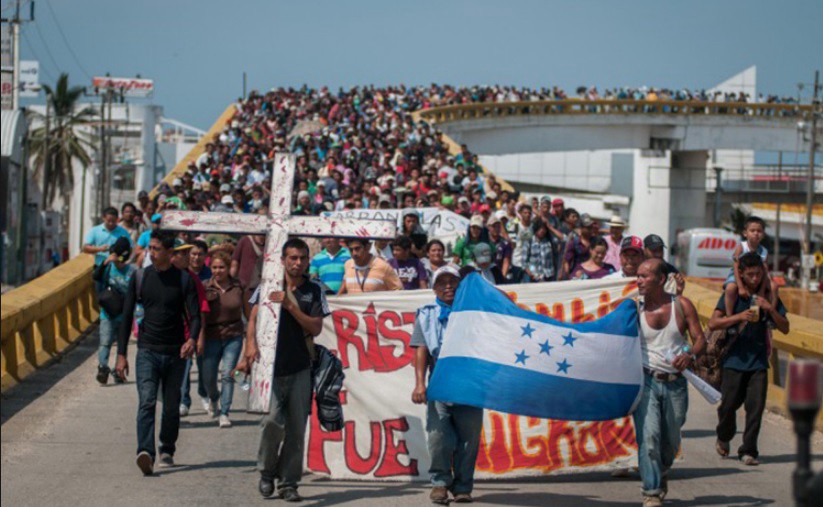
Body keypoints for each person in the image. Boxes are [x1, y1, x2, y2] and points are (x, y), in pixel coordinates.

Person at [245, 239, 330, 501]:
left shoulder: (314, 290)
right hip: (269, 367)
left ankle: (289, 483)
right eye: (293, 258)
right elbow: (254, 316)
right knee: (271, 422)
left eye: (302, 258)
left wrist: (291, 306)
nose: (298, 263)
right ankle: (266, 471)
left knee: (296, 428)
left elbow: (316, 327)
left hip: (299, 366)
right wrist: (250, 345)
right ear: (282, 260)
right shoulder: (268, 285)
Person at [114, 231, 201, 476]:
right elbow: (126, 316)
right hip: (147, 351)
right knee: (147, 401)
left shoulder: (184, 280)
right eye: (150, 248)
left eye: (156, 249)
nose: (151, 253)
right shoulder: (140, 277)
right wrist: (121, 354)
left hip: (176, 353)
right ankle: (145, 452)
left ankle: (167, 448)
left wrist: (192, 339)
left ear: (170, 252)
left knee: (171, 406)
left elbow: (195, 316)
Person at [634, 258, 706, 507]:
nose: (639, 280)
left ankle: (662, 470)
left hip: (676, 384)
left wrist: (690, 355)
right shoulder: (634, 308)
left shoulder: (682, 305)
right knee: (649, 437)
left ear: (661, 279)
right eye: (638, 276)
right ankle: (651, 492)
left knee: (671, 440)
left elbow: (700, 339)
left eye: (644, 276)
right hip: (646, 381)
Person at [709, 251, 789, 466]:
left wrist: (769, 309)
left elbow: (785, 328)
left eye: (758, 274)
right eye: (750, 275)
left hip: (758, 362)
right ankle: (724, 436)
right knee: (728, 407)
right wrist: (739, 317)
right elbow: (713, 323)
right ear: (742, 274)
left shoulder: (768, 295)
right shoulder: (733, 294)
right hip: (733, 361)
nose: (754, 279)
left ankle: (749, 450)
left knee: (755, 409)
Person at [410, 265, 482, 504]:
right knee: (438, 438)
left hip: (471, 384)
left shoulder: (476, 312)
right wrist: (420, 384)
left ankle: (462, 487)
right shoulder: (426, 315)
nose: (448, 286)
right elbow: (421, 350)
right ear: (434, 288)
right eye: (442, 282)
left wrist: (480, 286)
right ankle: (440, 483)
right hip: (440, 383)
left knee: (469, 440)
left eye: (453, 281)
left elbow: (505, 303)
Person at [200, 251, 244, 428]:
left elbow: (248, 311)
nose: (218, 271)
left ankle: (225, 412)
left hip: (233, 335)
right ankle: (214, 398)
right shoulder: (205, 286)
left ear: (228, 268)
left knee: (228, 374)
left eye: (221, 267)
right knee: (208, 377)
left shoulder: (238, 286)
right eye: (214, 267)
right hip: (211, 336)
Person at [173, 240, 212, 418]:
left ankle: (205, 394)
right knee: (184, 369)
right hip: (174, 333)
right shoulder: (162, 276)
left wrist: (200, 336)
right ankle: (183, 401)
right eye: (187, 254)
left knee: (203, 366)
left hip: (193, 331)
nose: (192, 257)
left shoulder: (193, 278)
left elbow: (201, 308)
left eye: (196, 254)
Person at [92, 237, 136, 385]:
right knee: (105, 342)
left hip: (124, 315)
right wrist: (105, 262)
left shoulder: (132, 271)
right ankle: (102, 367)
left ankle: (118, 370)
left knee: (121, 345)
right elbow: (96, 276)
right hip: (108, 313)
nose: (118, 262)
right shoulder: (109, 267)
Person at [723, 216, 776, 319]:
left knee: (774, 287)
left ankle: (770, 315)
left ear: (763, 234)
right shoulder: (741, 247)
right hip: (738, 275)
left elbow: (765, 271)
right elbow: (735, 265)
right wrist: (740, 287)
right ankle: (729, 316)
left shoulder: (764, 251)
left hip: (757, 277)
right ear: (745, 233)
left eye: (759, 231)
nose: (756, 233)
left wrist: (762, 290)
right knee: (730, 289)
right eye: (752, 230)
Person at [338, 237, 402, 294]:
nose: (354, 253)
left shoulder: (383, 266)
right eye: (351, 250)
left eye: (357, 249)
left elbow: (398, 291)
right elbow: (343, 288)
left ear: (367, 247)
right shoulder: (348, 265)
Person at [232, 234, 266, 313]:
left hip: (263, 288)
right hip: (244, 287)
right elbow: (234, 263)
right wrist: (231, 283)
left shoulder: (272, 243)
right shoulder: (245, 241)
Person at [560, 212, 595, 280]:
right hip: (577, 276)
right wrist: (567, 274)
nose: (590, 230)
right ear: (581, 228)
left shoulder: (595, 241)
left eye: (591, 227)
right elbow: (566, 260)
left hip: (592, 275)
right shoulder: (574, 242)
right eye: (587, 227)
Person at [486, 214, 512, 278]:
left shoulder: (505, 243)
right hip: (486, 274)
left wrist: (502, 278)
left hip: (499, 274)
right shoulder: (484, 242)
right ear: (488, 227)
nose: (496, 229)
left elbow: (506, 261)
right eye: (494, 226)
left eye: (498, 226)